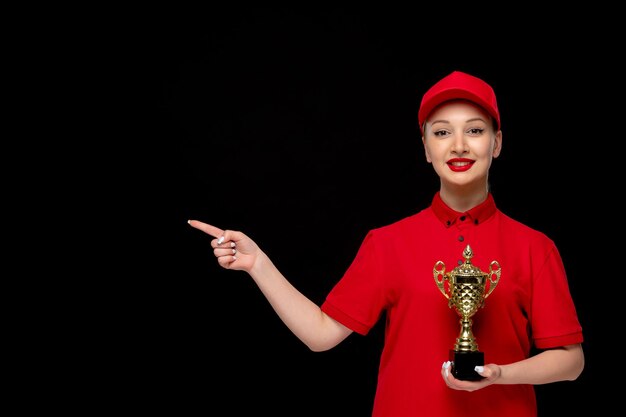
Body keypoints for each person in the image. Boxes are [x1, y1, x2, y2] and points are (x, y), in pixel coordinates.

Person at [187, 70, 584, 417]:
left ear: (497, 144)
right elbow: (321, 335)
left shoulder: (536, 247)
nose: (459, 145)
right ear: (426, 149)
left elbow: (571, 362)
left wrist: (501, 374)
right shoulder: (387, 243)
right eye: (442, 131)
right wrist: (260, 265)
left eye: (475, 130)